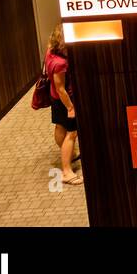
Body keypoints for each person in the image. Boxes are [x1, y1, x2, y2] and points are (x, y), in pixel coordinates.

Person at [45, 27, 81, 186]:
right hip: (64, 100)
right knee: (72, 133)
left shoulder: (49, 51)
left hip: (55, 98)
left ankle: (69, 154)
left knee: (60, 127)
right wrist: (71, 107)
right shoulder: (60, 63)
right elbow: (61, 88)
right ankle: (66, 171)